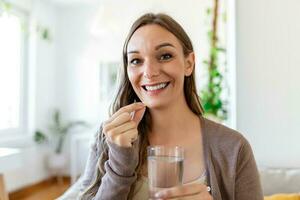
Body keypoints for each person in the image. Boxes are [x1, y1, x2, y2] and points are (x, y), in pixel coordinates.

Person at [59, 13, 263, 200]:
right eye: (136, 60)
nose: (149, 72)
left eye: (165, 56)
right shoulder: (108, 140)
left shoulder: (234, 148)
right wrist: (120, 162)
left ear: (189, 63)